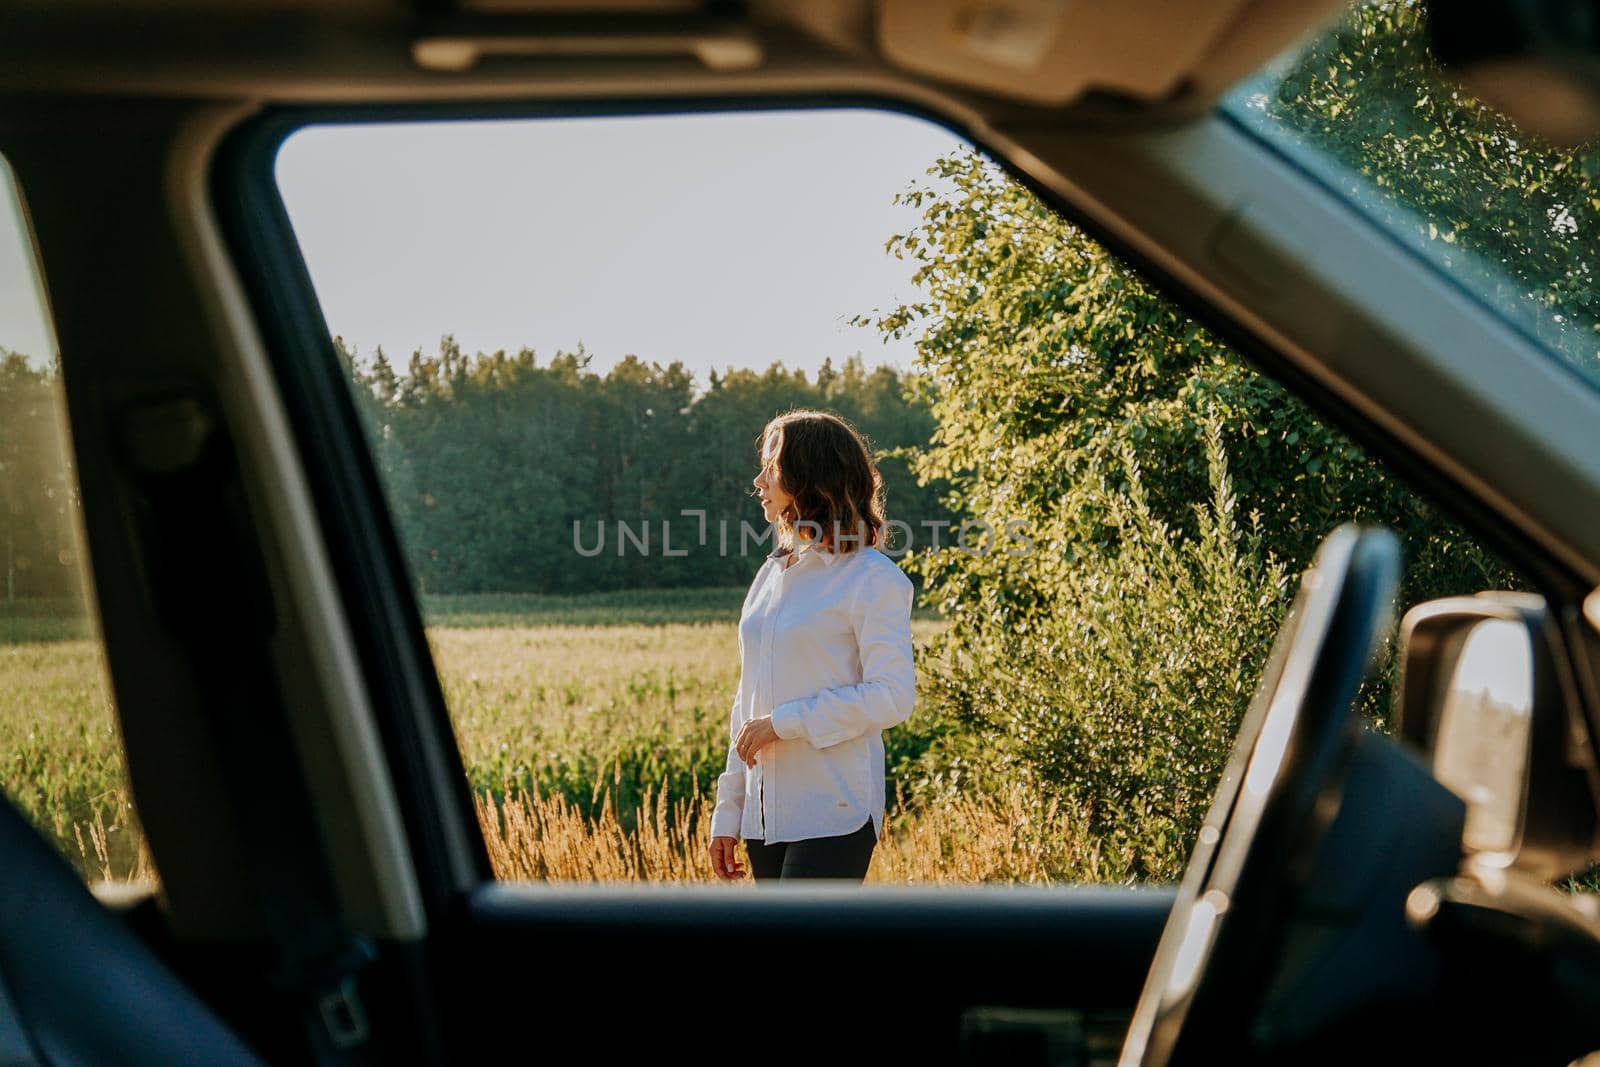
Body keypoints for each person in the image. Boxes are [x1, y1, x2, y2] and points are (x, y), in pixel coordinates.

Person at [707, 408, 917, 884]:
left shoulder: (873, 579)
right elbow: (747, 705)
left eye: (772, 467)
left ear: (809, 477)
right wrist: (729, 812)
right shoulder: (769, 575)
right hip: (764, 817)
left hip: (833, 811)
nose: (758, 481)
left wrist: (786, 723)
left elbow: (892, 695)